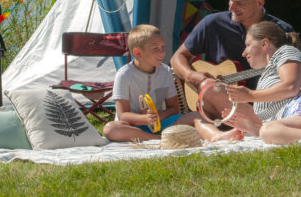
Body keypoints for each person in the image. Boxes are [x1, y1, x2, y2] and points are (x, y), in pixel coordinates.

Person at [170, 0, 294, 117]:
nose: (231, 7)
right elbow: (177, 58)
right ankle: (253, 123)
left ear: (259, 3)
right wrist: (190, 75)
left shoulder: (282, 31)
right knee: (209, 88)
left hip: (266, 103)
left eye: (239, 3)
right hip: (221, 105)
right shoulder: (212, 23)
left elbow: (291, 80)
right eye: (230, 0)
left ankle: (254, 122)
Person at [103, 24, 241, 142]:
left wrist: (157, 118)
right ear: (138, 53)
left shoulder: (165, 71)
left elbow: (174, 108)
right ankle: (157, 139)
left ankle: (217, 136)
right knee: (110, 129)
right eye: (156, 49)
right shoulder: (124, 74)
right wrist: (144, 119)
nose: (162, 53)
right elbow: (123, 114)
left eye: (163, 47)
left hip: (162, 123)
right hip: (133, 126)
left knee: (197, 116)